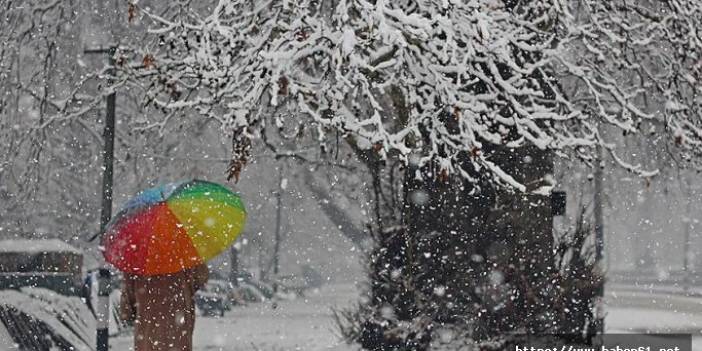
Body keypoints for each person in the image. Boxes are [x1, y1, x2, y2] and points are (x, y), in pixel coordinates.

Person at [120, 263, 209, 351]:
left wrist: (128, 314)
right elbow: (201, 277)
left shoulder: (137, 257)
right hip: (178, 325)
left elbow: (128, 296)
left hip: (147, 327)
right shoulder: (184, 254)